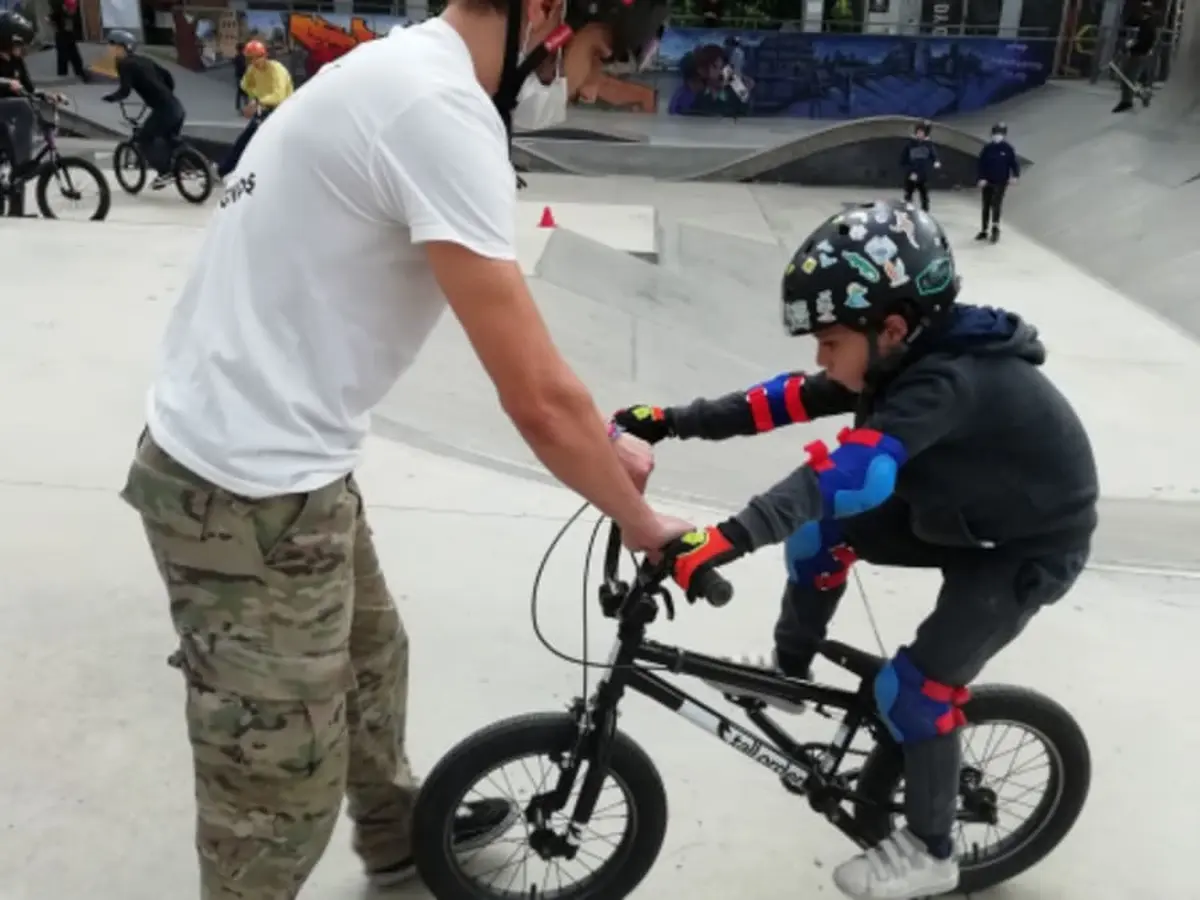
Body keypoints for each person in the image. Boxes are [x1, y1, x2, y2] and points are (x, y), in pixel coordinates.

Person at [117, 0, 681, 895]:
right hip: (240, 490)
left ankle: (399, 842)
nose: (579, 88)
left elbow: (529, 362)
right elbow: (534, 399)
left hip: (289, 467)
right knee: (272, 794)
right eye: (594, 58)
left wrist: (597, 441)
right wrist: (644, 524)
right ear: (545, 13)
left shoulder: (399, 72)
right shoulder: (441, 112)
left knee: (372, 666)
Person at [613, 198, 1098, 900]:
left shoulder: (948, 383)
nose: (819, 356)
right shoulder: (899, 360)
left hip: (1024, 547)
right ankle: (788, 675)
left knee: (915, 689)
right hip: (954, 513)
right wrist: (668, 422)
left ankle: (933, 853)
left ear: (891, 328)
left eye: (830, 340)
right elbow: (773, 403)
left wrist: (728, 537)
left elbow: (847, 475)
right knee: (816, 542)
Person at [101, 30, 186, 190]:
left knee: (144, 140)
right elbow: (168, 78)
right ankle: (193, 164)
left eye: (112, 44)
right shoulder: (144, 60)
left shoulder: (124, 64)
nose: (109, 48)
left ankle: (165, 172)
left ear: (122, 48)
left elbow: (124, 91)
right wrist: (162, 94)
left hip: (164, 110)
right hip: (176, 106)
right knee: (171, 139)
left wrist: (110, 98)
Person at [0, 9, 63, 217]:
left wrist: (47, 95)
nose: (23, 49)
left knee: (18, 169)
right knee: (22, 106)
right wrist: (7, 82)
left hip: (6, 119)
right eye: (20, 44)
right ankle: (22, 158)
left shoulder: (17, 62)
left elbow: (29, 88)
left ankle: (16, 211)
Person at [216, 39, 293, 179]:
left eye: (257, 58)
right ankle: (223, 171)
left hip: (283, 111)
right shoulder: (252, 70)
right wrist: (254, 98)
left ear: (265, 55)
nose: (254, 62)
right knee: (245, 139)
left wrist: (257, 102)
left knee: (271, 144)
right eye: (250, 59)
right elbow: (245, 84)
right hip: (264, 109)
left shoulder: (276, 69)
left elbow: (279, 95)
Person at [975, 121, 1020, 243]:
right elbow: (981, 164)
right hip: (987, 181)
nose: (997, 136)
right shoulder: (987, 148)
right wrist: (981, 178)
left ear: (1004, 135)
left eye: (999, 134)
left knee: (996, 203)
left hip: (1001, 181)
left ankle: (995, 228)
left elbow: (1014, 164)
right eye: (995, 133)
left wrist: (1015, 176)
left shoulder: (1008, 149)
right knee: (986, 205)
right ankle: (984, 229)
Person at [1113, 0, 1158, 113]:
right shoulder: (1147, 23)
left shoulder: (1148, 25)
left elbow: (1144, 42)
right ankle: (1141, 95)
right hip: (1141, 53)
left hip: (1139, 54)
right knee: (1132, 77)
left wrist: (1131, 46)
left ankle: (1128, 100)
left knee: (1129, 77)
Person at [899, 119, 940, 212]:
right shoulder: (910, 144)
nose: (919, 135)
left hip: (922, 174)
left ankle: (925, 211)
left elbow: (933, 155)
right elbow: (903, 158)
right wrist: (909, 170)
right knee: (909, 193)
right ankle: (906, 210)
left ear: (925, 134)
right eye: (918, 132)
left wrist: (936, 161)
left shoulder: (928, 145)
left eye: (922, 133)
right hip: (912, 173)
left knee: (924, 194)